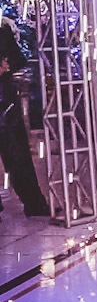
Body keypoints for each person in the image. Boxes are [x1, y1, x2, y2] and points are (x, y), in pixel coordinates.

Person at [0, 16, 48, 221]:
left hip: (5, 101)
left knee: (17, 152)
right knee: (16, 152)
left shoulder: (2, 30)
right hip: (5, 101)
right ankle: (34, 203)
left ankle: (34, 203)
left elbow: (16, 61)